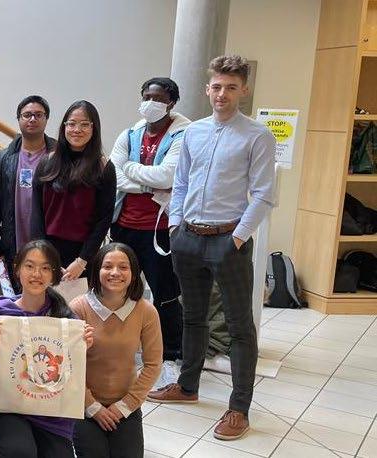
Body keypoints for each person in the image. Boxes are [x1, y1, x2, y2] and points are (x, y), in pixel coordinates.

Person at [147, 55, 276, 441]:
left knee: (239, 327)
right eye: (217, 87)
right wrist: (175, 225)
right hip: (188, 237)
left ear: (243, 90)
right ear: (207, 89)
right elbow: (182, 183)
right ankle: (188, 387)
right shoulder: (194, 133)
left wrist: (237, 237)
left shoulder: (257, 136)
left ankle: (239, 408)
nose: (222, 94)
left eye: (231, 87)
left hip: (227, 240)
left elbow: (264, 194)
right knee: (193, 317)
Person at [0, 240, 95, 457]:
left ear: (54, 274)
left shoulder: (67, 320)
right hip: (11, 408)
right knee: (19, 451)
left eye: (45, 268)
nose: (36, 274)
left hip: (53, 411)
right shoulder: (2, 319)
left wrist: (83, 348)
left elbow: (72, 376)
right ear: (17, 269)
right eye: (29, 266)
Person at [109, 77, 190, 364]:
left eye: (158, 98)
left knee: (165, 293)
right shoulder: (130, 134)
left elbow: (167, 176)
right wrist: (147, 184)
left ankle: (171, 353)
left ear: (171, 103)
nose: (151, 103)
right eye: (147, 97)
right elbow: (113, 175)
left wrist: (130, 169)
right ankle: (119, 345)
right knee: (118, 291)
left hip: (160, 230)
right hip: (124, 227)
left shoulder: (183, 134)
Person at [70, 243, 162, 458]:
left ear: (133, 273)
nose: (115, 273)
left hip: (125, 404)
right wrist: (92, 406)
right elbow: (67, 365)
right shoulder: (78, 307)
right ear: (96, 271)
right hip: (82, 403)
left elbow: (153, 364)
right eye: (107, 266)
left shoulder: (146, 311)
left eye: (123, 267)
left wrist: (125, 406)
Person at [31, 100, 115, 281]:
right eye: (71, 124)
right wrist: (42, 253)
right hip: (46, 251)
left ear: (94, 128)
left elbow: (104, 219)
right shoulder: (47, 162)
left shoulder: (104, 167)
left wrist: (82, 260)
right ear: (64, 127)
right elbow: (36, 212)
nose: (77, 129)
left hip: (82, 255)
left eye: (84, 124)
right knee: (43, 299)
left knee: (77, 300)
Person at [0, 95, 57, 285]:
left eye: (38, 115)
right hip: (13, 246)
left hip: (52, 245)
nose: (32, 119)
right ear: (19, 119)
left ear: (46, 119)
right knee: (18, 297)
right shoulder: (2, 159)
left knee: (50, 297)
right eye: (27, 115)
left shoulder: (60, 157)